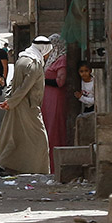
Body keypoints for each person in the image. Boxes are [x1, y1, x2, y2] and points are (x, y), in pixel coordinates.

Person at [0, 35, 52, 176]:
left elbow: (13, 82)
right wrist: (10, 102)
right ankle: (40, 171)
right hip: (28, 106)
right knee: (40, 140)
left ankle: (2, 166)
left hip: (16, 104)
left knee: (15, 138)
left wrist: (9, 100)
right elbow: (25, 88)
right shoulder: (34, 63)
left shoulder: (21, 59)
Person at [41, 34, 68, 173]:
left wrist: (42, 80)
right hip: (48, 99)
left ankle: (56, 165)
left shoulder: (62, 59)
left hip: (56, 99)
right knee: (48, 130)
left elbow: (60, 82)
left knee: (55, 130)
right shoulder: (53, 59)